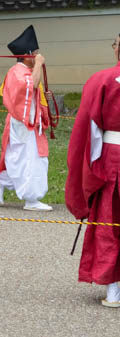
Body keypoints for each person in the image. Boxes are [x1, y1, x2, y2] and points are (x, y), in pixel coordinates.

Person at [65, 32, 120, 308]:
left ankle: (114, 292)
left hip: (112, 157)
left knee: (110, 221)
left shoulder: (101, 81)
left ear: (116, 49)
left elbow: (87, 131)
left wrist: (89, 170)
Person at [0, 25, 53, 211]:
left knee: (22, 157)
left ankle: (0, 182)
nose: (39, 55)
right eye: (36, 53)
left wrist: (43, 99)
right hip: (24, 124)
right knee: (31, 159)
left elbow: (34, 90)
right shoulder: (17, 71)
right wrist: (38, 64)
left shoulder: (21, 71)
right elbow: (31, 86)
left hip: (27, 123)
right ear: (28, 54)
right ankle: (31, 199)